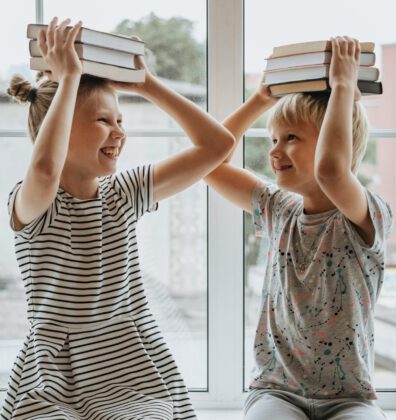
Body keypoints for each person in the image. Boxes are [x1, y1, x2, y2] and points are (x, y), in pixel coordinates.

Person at [2, 17, 234, 420]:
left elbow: (218, 145)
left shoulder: (125, 193)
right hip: (53, 377)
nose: (119, 133)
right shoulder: (35, 203)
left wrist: (147, 85)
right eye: (103, 121)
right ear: (57, 133)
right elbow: (44, 170)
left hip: (130, 373)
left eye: (121, 121)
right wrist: (70, 77)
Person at [205, 37, 392, 419]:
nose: (274, 151)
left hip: (349, 397)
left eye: (291, 138)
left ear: (333, 143)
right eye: (274, 138)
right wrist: (260, 100)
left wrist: (343, 87)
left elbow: (331, 171)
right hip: (277, 391)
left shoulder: (365, 212)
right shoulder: (278, 208)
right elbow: (209, 163)